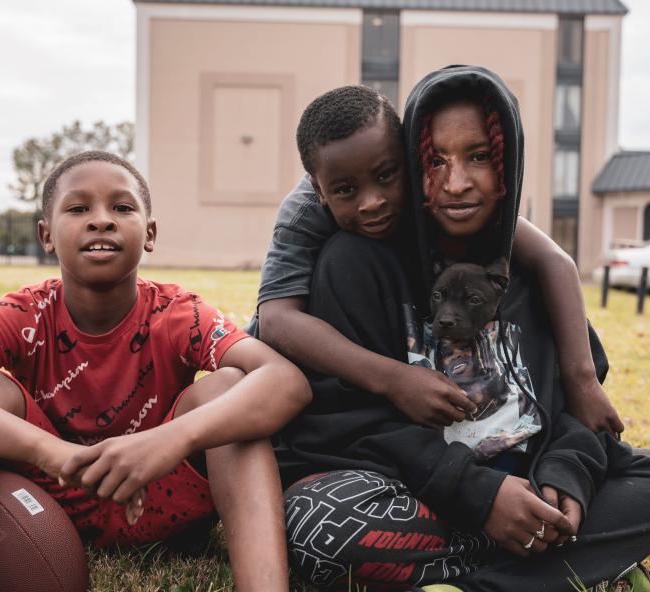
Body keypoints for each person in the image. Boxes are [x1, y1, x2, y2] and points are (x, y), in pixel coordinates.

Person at [263, 69, 650, 592]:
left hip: (527, 482)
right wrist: (481, 496)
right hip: (424, 492)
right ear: (416, 161)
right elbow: (346, 423)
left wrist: (563, 479)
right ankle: (586, 566)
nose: (457, 182)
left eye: (479, 157)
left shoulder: (533, 269)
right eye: (436, 160)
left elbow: (580, 412)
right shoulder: (355, 261)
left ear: (508, 167)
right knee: (320, 527)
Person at [0, 151, 310, 592]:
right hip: (51, 498)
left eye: (122, 208)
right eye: (78, 209)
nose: (100, 220)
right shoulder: (26, 311)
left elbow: (286, 382)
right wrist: (57, 455)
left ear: (150, 234)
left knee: (228, 390)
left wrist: (170, 440)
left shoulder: (178, 312)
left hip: (162, 497)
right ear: (46, 235)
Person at [253, 84, 623, 438]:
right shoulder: (304, 213)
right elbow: (276, 320)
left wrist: (582, 379)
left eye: (386, 175)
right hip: (311, 364)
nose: (372, 202)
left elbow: (552, 258)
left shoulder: (430, 181)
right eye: (346, 191)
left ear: (408, 155)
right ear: (320, 190)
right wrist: (394, 379)